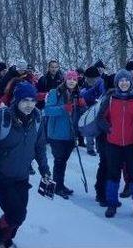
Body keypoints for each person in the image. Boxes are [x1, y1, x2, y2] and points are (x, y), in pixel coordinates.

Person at [0, 82, 51, 248]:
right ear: (16, 100)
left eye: (32, 100)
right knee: (16, 214)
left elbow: (40, 147)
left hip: (22, 175)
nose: (29, 104)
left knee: (19, 215)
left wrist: (45, 171)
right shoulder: (0, 120)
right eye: (25, 100)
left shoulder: (37, 119)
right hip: (1, 176)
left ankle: (5, 239)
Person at [96, 69, 133, 220]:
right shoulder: (110, 98)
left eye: (127, 80)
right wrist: (109, 129)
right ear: (117, 82)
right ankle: (112, 204)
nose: (124, 83)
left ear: (130, 82)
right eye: (121, 80)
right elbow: (100, 118)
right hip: (113, 144)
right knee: (113, 175)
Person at [43, 70, 85, 199]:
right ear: (65, 80)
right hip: (57, 134)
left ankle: (60, 184)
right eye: (70, 78)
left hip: (71, 134)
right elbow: (47, 110)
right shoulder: (55, 92)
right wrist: (63, 109)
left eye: (74, 79)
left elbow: (78, 113)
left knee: (64, 161)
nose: (72, 81)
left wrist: (82, 106)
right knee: (59, 161)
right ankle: (57, 187)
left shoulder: (77, 94)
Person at [81, 66, 105, 156]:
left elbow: (102, 95)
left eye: (87, 78)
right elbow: (83, 94)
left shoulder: (101, 83)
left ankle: (97, 147)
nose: (86, 80)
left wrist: (93, 97)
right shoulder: (88, 83)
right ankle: (91, 148)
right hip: (89, 107)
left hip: (98, 108)